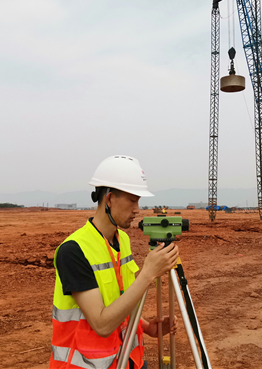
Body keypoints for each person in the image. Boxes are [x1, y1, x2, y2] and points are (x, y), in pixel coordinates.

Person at [50, 155, 179, 369]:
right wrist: (148, 274)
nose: (137, 209)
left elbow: (118, 300)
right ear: (109, 199)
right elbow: (102, 324)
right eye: (132, 200)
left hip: (128, 360)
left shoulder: (122, 240)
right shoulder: (73, 251)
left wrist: (147, 327)